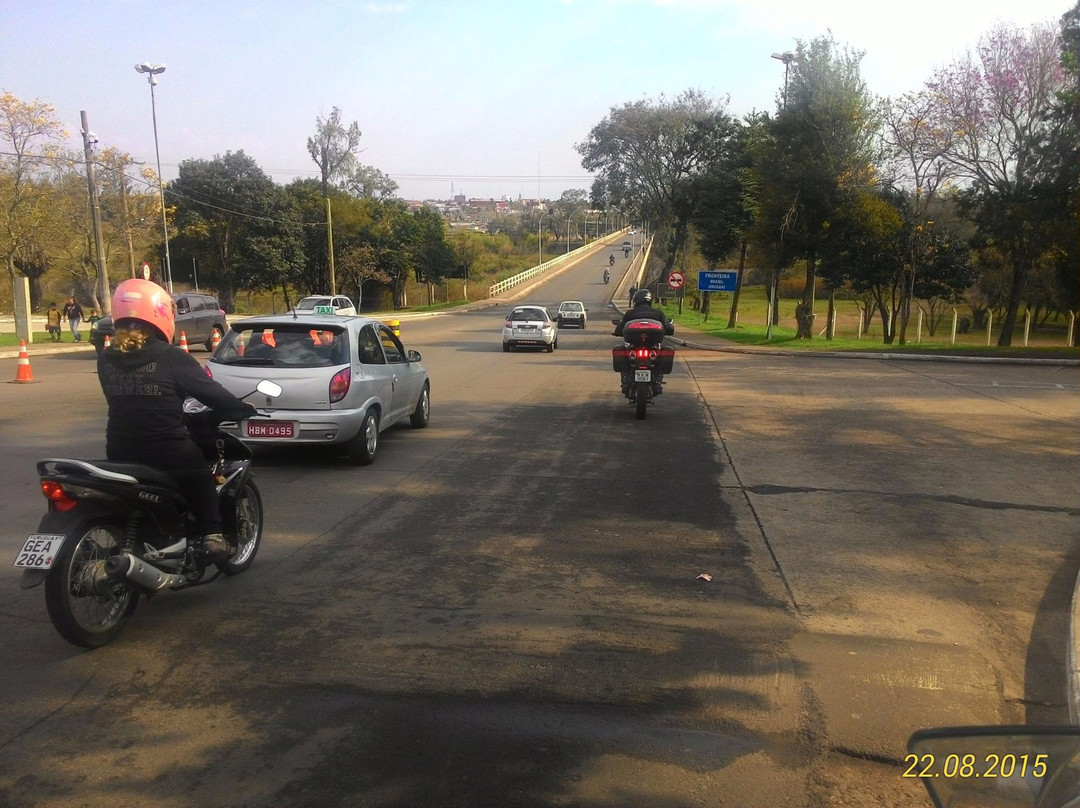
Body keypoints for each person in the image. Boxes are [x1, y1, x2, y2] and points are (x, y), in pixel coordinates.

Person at [97, 279, 256, 561]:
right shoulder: (171, 357)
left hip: (119, 448)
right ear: (160, 314)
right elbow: (211, 393)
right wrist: (240, 409)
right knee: (201, 479)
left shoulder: (106, 358)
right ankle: (212, 536)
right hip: (167, 448)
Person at [613, 289, 675, 395]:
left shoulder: (630, 313)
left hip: (634, 348)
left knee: (620, 351)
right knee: (666, 352)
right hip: (652, 347)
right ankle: (658, 378)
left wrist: (617, 332)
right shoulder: (658, 313)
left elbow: (619, 329)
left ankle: (625, 378)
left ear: (636, 300)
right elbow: (669, 329)